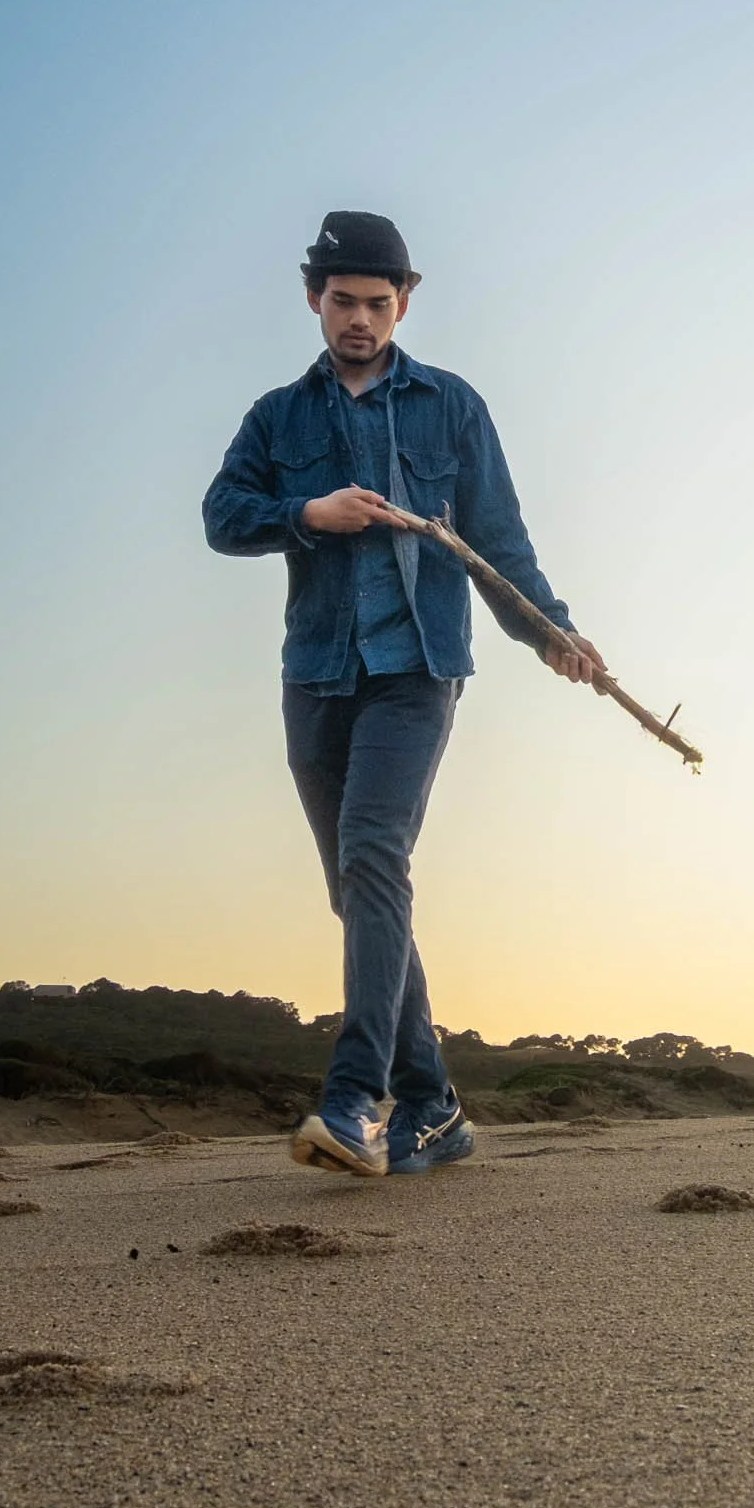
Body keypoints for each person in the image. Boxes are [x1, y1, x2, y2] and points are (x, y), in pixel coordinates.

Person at [202, 211, 606, 1178]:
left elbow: (498, 540)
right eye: (342, 302)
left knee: (374, 854)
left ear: (404, 303)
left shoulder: (451, 406)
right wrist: (307, 512)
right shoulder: (278, 416)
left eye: (378, 304)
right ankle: (436, 1108)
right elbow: (221, 517)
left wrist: (549, 629)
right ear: (313, 298)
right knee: (359, 888)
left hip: (418, 672)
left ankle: (355, 1101)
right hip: (318, 674)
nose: (360, 321)